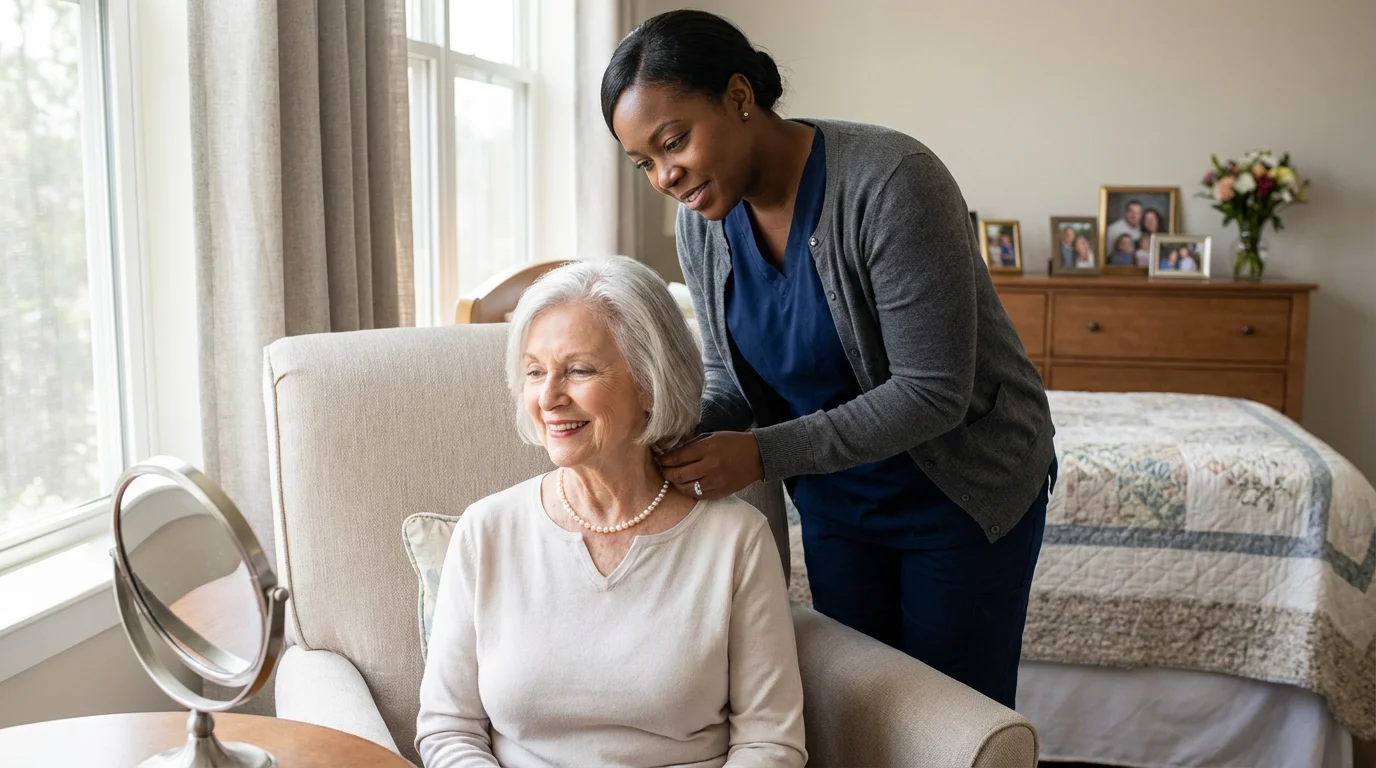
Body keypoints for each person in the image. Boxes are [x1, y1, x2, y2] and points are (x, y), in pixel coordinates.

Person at [602, 10, 1056, 709]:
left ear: (739, 96)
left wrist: (758, 456)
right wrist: (673, 430)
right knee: (860, 716)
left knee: (955, 722)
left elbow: (932, 391)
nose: (665, 176)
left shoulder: (893, 182)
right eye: (644, 163)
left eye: (674, 142)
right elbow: (730, 376)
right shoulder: (703, 223)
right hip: (837, 499)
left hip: (962, 497)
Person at [415, 257, 807, 767]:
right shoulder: (486, 531)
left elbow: (769, 742)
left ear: (650, 382)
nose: (549, 397)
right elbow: (448, 728)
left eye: (578, 370)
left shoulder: (736, 539)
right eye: (535, 372)